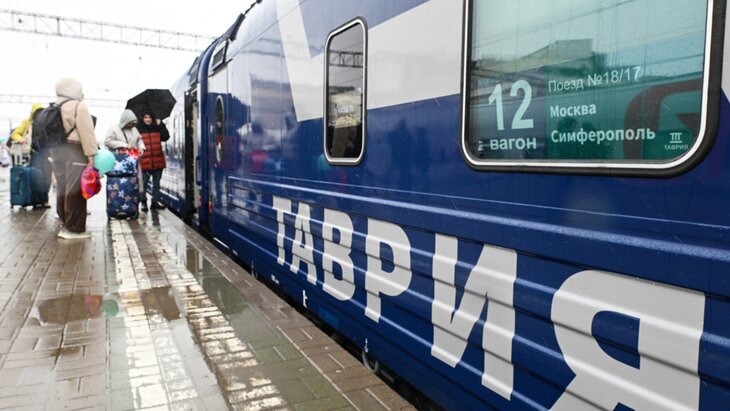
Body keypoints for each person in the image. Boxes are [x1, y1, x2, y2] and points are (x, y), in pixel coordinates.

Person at [50, 78, 98, 240]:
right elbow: (87, 132)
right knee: (75, 189)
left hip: (56, 150)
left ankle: (64, 223)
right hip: (74, 150)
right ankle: (74, 228)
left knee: (62, 187)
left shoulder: (54, 105)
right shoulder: (78, 106)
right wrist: (91, 155)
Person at [10, 103, 53, 208]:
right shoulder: (27, 123)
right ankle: (36, 200)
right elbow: (15, 134)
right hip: (34, 153)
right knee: (37, 177)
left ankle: (44, 200)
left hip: (46, 154)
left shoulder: (46, 124)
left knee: (47, 178)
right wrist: (21, 139)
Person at [136, 110, 169, 211]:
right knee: (143, 184)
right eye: (145, 117)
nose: (148, 119)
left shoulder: (157, 127)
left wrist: (161, 125)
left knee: (156, 184)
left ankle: (155, 202)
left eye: (149, 117)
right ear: (142, 119)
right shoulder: (138, 130)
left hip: (157, 160)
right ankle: (143, 203)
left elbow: (166, 137)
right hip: (144, 161)